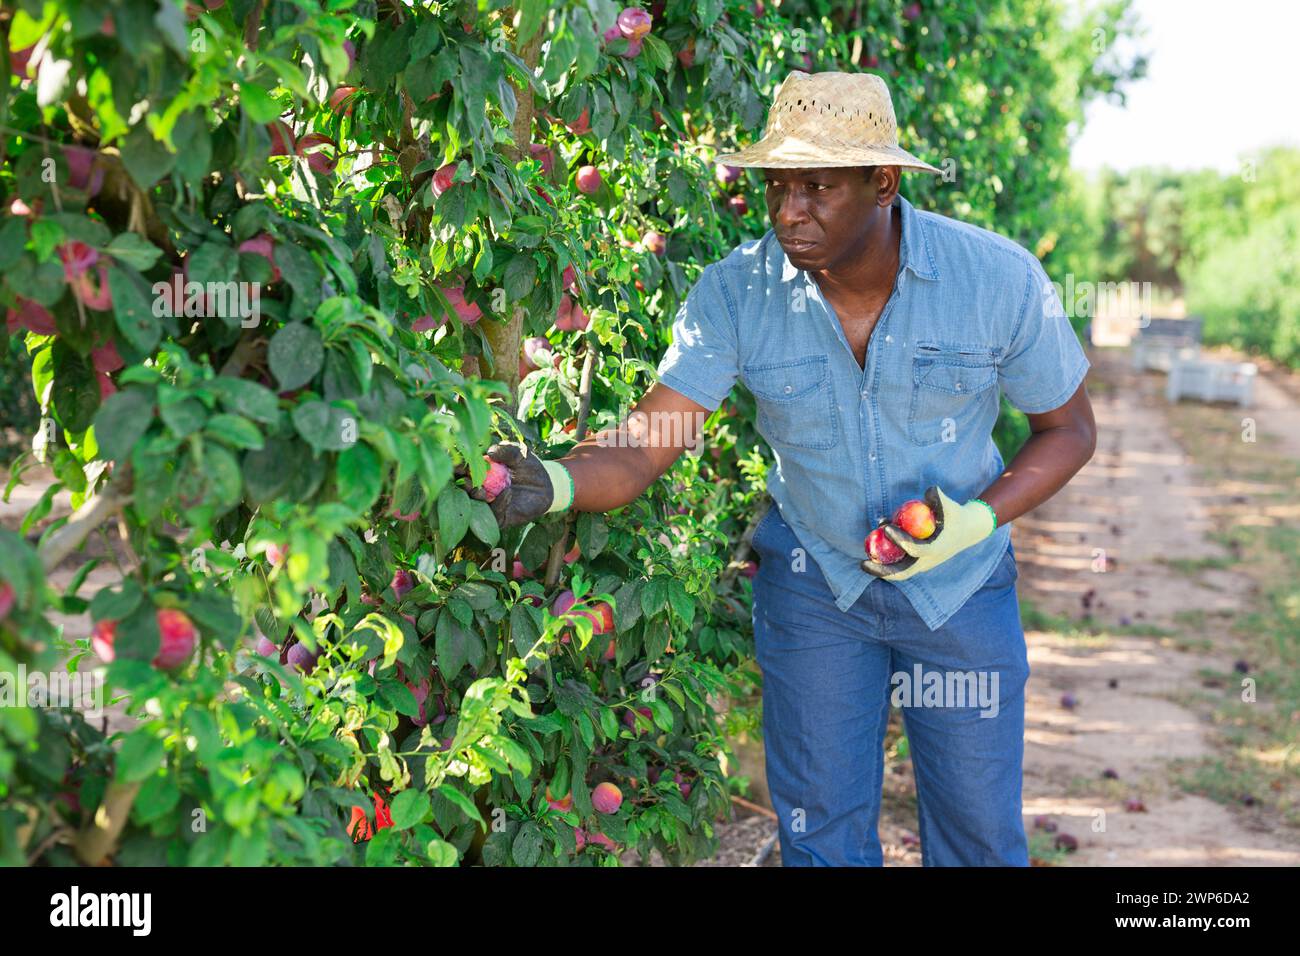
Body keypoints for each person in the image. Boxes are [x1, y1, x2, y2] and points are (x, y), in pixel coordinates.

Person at [480, 71, 1096, 866]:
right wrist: (552, 481)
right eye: (777, 186)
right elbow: (644, 442)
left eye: (816, 187)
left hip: (961, 586)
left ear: (883, 183)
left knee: (978, 836)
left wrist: (975, 521)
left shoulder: (995, 279)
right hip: (818, 589)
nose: (787, 211)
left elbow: (1069, 429)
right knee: (820, 840)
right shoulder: (738, 293)